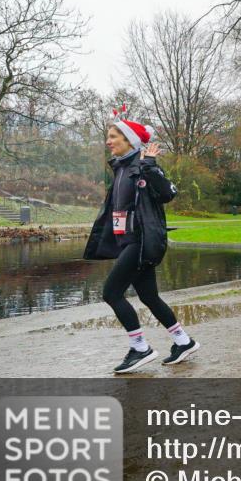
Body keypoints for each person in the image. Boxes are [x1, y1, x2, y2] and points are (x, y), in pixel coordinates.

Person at [83, 105, 199, 374]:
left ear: (129, 140)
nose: (108, 141)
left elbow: (168, 193)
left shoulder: (141, 166)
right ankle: (183, 341)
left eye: (113, 136)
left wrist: (150, 165)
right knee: (149, 295)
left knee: (111, 293)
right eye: (108, 136)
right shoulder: (121, 168)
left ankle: (140, 348)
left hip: (140, 242)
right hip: (128, 242)